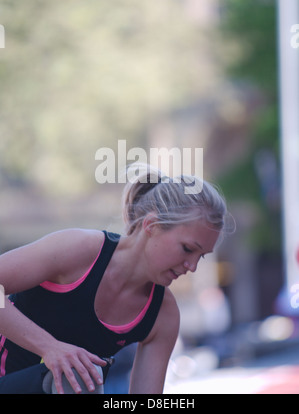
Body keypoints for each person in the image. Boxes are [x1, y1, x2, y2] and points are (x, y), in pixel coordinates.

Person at [0, 164, 231, 394]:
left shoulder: (163, 314)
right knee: (76, 377)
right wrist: (49, 348)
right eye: (187, 249)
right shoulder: (79, 250)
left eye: (201, 256)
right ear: (151, 225)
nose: (192, 266)